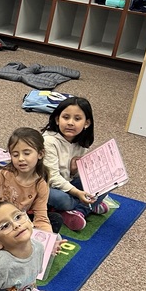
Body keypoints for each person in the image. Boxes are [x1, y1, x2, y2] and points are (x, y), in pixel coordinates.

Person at [0, 127, 53, 250]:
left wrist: (48, 241)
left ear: (40, 154)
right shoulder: (1, 175)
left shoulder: (40, 184)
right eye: (15, 154)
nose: (20, 158)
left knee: (55, 222)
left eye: (27, 153)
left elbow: (41, 217)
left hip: (18, 222)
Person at [42, 96, 108, 232]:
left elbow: (71, 177)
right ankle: (86, 206)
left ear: (86, 123)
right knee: (62, 199)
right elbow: (52, 178)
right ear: (57, 119)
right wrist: (78, 193)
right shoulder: (49, 141)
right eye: (66, 117)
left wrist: (73, 171)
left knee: (104, 181)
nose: (70, 123)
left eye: (77, 119)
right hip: (46, 186)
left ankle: (79, 209)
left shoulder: (82, 142)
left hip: (67, 183)